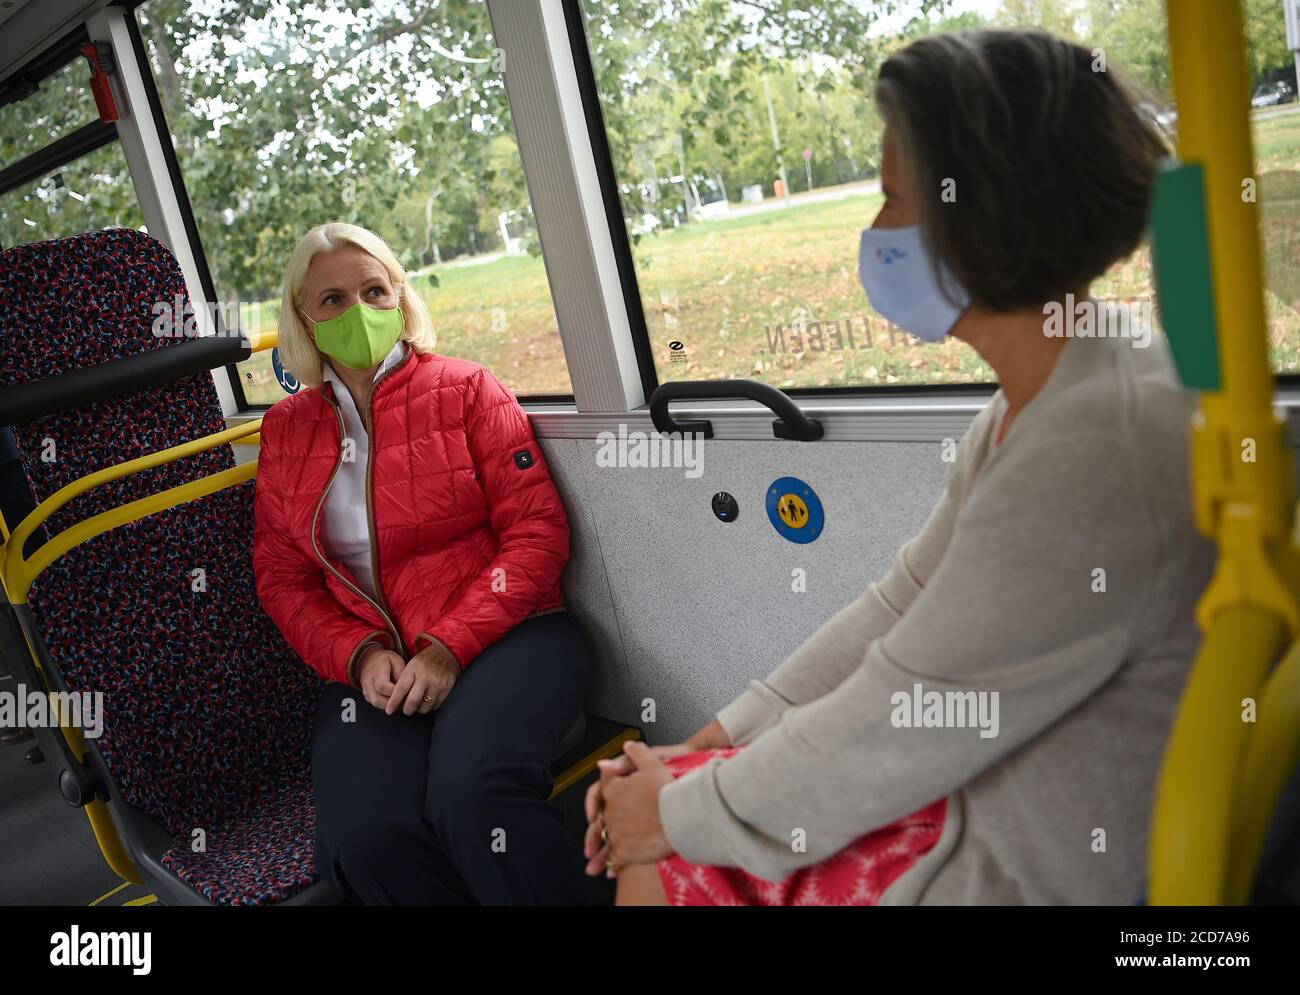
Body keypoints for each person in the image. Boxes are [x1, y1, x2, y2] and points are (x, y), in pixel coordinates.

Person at [585, 28, 1215, 906]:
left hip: (1027, 868)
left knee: (658, 860)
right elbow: (899, 604)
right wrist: (699, 750)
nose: (873, 234)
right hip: (984, 794)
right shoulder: (1057, 388)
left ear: (983, 213)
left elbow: (900, 710)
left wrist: (673, 813)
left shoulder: (1091, 451)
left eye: (891, 199)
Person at [253, 222, 607, 905]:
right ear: (303, 318)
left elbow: (536, 532)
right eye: (331, 300)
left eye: (373, 290)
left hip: (509, 636)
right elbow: (283, 577)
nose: (357, 311)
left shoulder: (468, 389)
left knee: (475, 797)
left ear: (400, 297)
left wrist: (448, 645)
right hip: (375, 666)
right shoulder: (286, 431)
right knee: (365, 836)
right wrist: (357, 655)